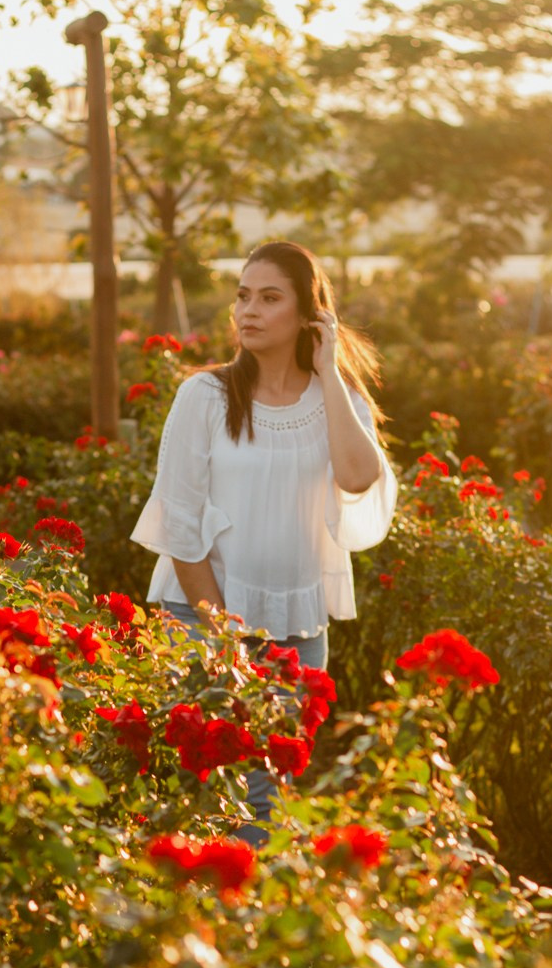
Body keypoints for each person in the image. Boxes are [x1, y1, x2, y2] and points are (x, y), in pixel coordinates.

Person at [131, 240, 397, 840]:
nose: (248, 310)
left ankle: (243, 924)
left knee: (268, 795)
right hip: (203, 618)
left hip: (298, 630)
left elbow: (358, 477)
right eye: (243, 295)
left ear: (309, 315)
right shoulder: (205, 397)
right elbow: (180, 522)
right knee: (207, 793)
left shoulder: (339, 399)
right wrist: (221, 632)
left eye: (269, 298)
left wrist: (329, 371)